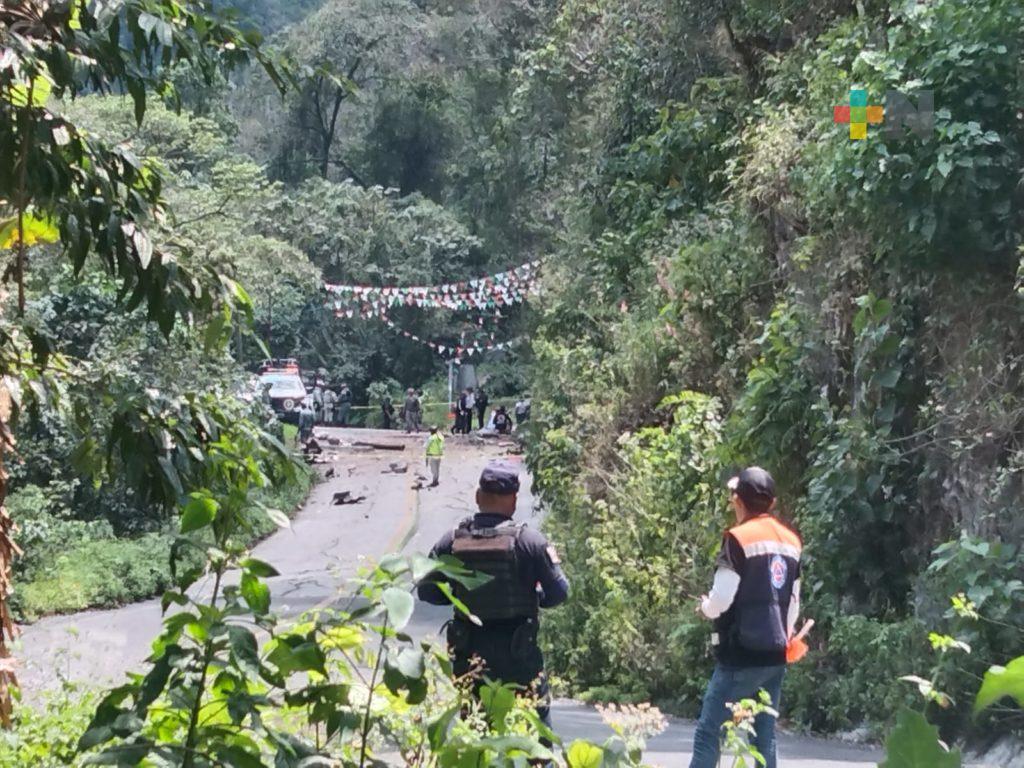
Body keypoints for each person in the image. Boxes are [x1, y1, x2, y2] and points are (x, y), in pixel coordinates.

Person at [417, 460, 569, 725]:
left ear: (478, 497)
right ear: (514, 501)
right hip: (519, 656)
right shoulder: (529, 542)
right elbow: (559, 592)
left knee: (476, 729)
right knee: (535, 730)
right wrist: (535, 598)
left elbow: (427, 591)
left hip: (471, 657)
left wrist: (459, 596)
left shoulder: (451, 541)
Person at [689, 467, 802, 768]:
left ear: (738, 501)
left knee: (709, 733)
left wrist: (705, 608)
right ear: (772, 503)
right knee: (764, 738)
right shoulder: (792, 542)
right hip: (775, 655)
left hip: (740, 655)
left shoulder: (738, 538)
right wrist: (785, 638)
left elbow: (722, 598)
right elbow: (793, 603)